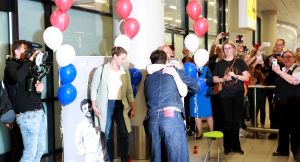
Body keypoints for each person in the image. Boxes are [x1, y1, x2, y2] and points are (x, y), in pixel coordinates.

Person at [144, 49, 199, 162]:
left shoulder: (148, 79)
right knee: (177, 158)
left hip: (152, 121)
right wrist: (179, 70)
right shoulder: (173, 70)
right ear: (166, 61)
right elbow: (195, 86)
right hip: (171, 118)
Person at [90, 46, 136, 162]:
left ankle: (124, 159)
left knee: (124, 134)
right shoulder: (101, 70)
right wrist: (94, 105)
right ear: (115, 56)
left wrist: (133, 106)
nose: (124, 61)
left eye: (125, 58)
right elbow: (94, 88)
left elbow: (129, 90)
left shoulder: (125, 71)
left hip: (121, 105)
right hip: (107, 105)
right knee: (108, 135)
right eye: (122, 58)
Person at [4, 40, 47, 162]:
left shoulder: (27, 66)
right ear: (17, 51)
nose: (29, 53)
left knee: (40, 150)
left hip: (38, 111)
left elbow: (31, 90)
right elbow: (17, 78)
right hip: (26, 114)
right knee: (29, 153)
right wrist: (30, 60)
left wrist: (39, 89)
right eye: (26, 50)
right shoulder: (11, 65)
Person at [212, 40, 249, 155]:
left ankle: (236, 146)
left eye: (229, 48)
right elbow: (214, 79)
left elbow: (246, 78)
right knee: (227, 121)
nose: (227, 50)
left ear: (233, 49)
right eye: (225, 48)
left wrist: (235, 75)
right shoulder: (220, 63)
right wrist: (223, 79)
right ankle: (227, 146)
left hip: (238, 95)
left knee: (236, 121)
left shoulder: (240, 62)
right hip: (225, 96)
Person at [271, 51, 300, 161]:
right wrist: (275, 99)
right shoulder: (282, 69)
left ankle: (297, 152)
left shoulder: (298, 69)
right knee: (282, 128)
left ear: (294, 59)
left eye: (289, 57)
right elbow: (278, 86)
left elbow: (295, 81)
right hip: (281, 104)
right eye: (284, 57)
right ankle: (282, 150)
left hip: (295, 104)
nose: (286, 59)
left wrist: (279, 71)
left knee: (295, 129)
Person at [189, 66, 214, 139]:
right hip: (194, 93)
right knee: (196, 114)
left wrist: (204, 80)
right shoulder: (192, 68)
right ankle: (200, 132)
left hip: (204, 93)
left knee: (209, 114)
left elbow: (211, 80)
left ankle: (211, 132)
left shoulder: (206, 68)